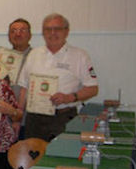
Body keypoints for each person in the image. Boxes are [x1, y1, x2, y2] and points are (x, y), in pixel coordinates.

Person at [17, 13, 98, 141]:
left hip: (63, 117)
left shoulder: (80, 56)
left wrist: (69, 97)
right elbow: (24, 88)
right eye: (48, 29)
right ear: (43, 32)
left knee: (62, 152)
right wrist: (18, 117)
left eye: (57, 29)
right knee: (33, 153)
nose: (52, 33)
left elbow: (93, 89)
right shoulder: (34, 54)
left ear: (67, 31)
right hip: (34, 119)